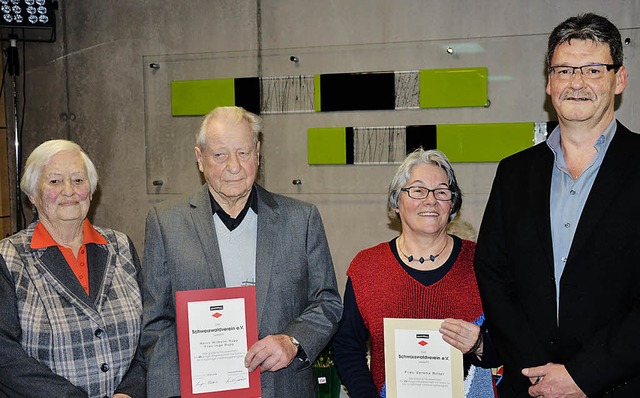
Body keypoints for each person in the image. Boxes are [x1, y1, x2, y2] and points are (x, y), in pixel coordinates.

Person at [475, 13, 640, 398]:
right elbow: (494, 275)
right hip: (530, 385)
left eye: (593, 69)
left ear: (620, 79)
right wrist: (538, 371)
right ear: (549, 83)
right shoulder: (514, 173)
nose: (577, 83)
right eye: (564, 70)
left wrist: (583, 375)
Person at [140, 106, 343, 398]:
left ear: (258, 153)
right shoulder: (165, 224)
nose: (234, 166)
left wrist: (293, 341)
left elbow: (327, 302)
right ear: (200, 158)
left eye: (243, 153)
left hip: (282, 387)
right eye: (220, 155)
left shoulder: (301, 219)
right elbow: (156, 322)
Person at [333, 148, 499, 397]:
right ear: (396, 202)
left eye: (442, 191)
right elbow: (347, 346)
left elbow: (517, 343)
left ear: (452, 204)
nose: (430, 200)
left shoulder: (483, 263)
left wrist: (480, 344)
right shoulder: (367, 267)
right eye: (418, 190)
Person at [0, 140, 145, 398]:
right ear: (32, 194)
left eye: (78, 180)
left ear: (91, 191)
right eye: (54, 181)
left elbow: (149, 330)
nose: (69, 191)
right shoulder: (8, 257)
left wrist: (130, 390)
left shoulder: (121, 246)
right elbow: (4, 354)